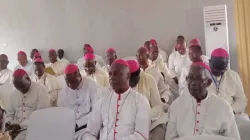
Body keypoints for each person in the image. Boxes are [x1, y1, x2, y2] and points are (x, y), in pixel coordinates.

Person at [165, 62, 241, 140]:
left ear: (208, 82)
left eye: (198, 79)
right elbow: (170, 138)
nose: (193, 83)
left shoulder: (223, 106)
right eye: (190, 78)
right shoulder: (176, 106)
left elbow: (234, 138)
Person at [84, 59, 150, 140]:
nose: (111, 78)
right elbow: (90, 133)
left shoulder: (141, 101)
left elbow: (141, 136)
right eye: (110, 74)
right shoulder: (102, 102)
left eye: (116, 74)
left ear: (128, 75)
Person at [127, 60, 168, 140]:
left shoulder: (149, 79)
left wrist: (142, 117)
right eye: (128, 78)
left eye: (133, 79)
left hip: (149, 121)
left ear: (139, 75)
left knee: (160, 130)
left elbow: (157, 106)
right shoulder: (120, 82)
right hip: (127, 123)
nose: (130, 82)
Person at [57, 64, 101, 140]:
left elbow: (96, 111)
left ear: (80, 76)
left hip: (87, 124)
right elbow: (60, 111)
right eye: (67, 82)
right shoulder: (64, 90)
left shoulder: (91, 85)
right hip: (68, 125)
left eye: (73, 81)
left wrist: (78, 124)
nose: (70, 84)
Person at [208, 48, 249, 126]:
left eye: (222, 70)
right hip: (208, 117)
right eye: (216, 69)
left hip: (230, 115)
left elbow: (242, 100)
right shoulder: (202, 75)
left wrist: (230, 111)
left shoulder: (234, 76)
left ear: (227, 64)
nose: (219, 73)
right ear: (210, 62)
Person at [5, 69, 50, 140]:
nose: (21, 90)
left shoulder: (41, 90)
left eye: (23, 87)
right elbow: (9, 114)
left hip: (34, 127)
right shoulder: (13, 94)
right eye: (18, 88)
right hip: (15, 129)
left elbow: (40, 116)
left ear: (28, 79)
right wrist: (9, 123)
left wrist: (20, 126)